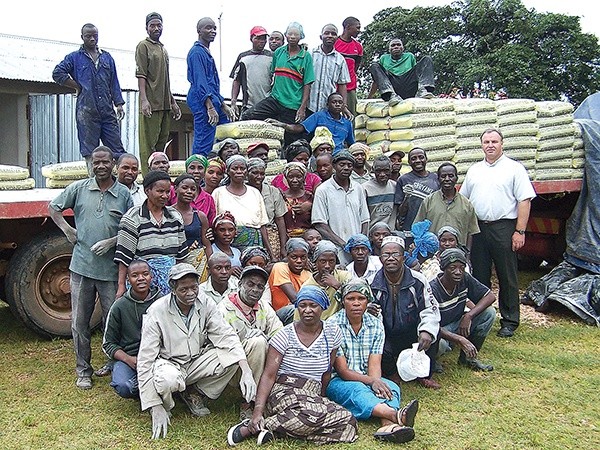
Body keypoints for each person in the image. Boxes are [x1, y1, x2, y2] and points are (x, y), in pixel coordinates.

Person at [226, 285, 358, 446]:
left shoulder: (332, 332)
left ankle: (274, 430)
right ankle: (252, 426)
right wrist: (257, 412)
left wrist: (322, 400)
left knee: (347, 421)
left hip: (312, 392)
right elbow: (268, 376)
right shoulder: (285, 335)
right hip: (285, 390)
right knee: (308, 413)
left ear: (323, 307)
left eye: (313, 305)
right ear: (297, 307)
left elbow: (327, 372)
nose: (307, 310)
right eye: (303, 305)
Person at [137, 263, 256, 439]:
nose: (191, 293)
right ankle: (166, 403)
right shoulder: (157, 311)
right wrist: (154, 406)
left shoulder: (205, 302)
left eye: (194, 287)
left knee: (231, 358)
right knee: (168, 380)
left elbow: (226, 336)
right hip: (169, 363)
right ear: (172, 288)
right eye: (184, 289)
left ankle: (195, 393)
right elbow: (145, 360)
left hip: (196, 360)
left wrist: (246, 371)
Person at [49, 146, 133, 389]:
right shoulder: (79, 189)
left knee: (112, 321)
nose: (100, 166)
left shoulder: (123, 194)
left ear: (113, 164)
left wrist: (112, 241)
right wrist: (67, 230)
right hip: (82, 267)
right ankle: (83, 370)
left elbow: (130, 228)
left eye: (105, 162)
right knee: (80, 322)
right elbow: (53, 208)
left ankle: (111, 363)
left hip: (110, 272)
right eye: (96, 162)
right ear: (91, 165)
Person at [460, 128, 536, 338]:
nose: (490, 145)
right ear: (481, 145)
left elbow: (524, 200)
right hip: (478, 228)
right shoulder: (475, 170)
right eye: (486, 142)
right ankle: (481, 317)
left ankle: (510, 320)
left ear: (502, 144)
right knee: (479, 275)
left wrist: (519, 231)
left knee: (507, 274)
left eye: (494, 141)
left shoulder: (514, 169)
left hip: (504, 227)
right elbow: (464, 200)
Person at [327, 279, 419, 443]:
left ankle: (387, 426)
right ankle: (395, 415)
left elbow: (374, 365)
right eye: (350, 299)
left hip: (367, 376)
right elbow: (342, 370)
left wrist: (376, 383)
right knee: (357, 391)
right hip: (339, 380)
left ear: (367, 301)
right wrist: (371, 382)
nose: (356, 303)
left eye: (361, 299)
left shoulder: (375, 324)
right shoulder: (332, 325)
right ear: (342, 301)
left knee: (390, 387)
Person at [52, 23, 125, 173]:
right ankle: (94, 182)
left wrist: (119, 103)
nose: (92, 39)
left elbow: (114, 81)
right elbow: (57, 73)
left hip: (107, 110)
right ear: (82, 37)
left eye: (95, 36)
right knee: (90, 151)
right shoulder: (74, 58)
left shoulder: (107, 57)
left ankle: (120, 184)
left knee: (117, 149)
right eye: (88, 36)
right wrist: (77, 86)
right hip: (86, 111)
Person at [370, 236, 441, 389]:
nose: (390, 258)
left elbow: (430, 309)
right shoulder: (372, 282)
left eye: (395, 254)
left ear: (403, 257)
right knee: (377, 343)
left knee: (433, 332)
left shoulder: (418, 280)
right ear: (380, 258)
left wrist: (426, 331)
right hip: (386, 332)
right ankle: (392, 373)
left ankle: (424, 375)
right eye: (386, 255)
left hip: (411, 331)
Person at [219, 265, 283, 420]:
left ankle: (264, 396)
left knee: (267, 343)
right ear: (240, 284)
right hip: (231, 366)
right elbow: (224, 345)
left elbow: (280, 334)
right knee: (257, 342)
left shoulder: (264, 307)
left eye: (260, 286)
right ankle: (248, 402)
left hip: (257, 364)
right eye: (250, 284)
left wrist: (266, 338)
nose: (255, 290)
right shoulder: (224, 309)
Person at [114, 170, 188, 298]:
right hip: (142, 283)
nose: (165, 196)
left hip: (171, 283)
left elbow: (181, 256)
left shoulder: (175, 216)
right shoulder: (132, 218)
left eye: (167, 192)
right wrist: (121, 286)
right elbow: (124, 257)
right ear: (147, 191)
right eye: (160, 191)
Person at [242, 22, 315, 145]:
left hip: (292, 104)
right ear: (286, 36)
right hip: (275, 99)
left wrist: (302, 108)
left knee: (288, 139)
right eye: (290, 34)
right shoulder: (279, 52)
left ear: (301, 37)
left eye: (295, 35)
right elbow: (273, 75)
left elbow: (307, 84)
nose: (292, 37)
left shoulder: (306, 57)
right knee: (248, 115)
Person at [429, 248, 495, 372]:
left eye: (461, 267)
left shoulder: (465, 278)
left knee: (489, 313)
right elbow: (432, 326)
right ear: (443, 268)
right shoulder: (432, 290)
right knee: (440, 344)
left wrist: (469, 316)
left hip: (457, 322)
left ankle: (468, 358)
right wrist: (460, 339)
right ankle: (432, 360)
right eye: (452, 267)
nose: (458, 272)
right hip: (439, 330)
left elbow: (490, 296)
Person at [102, 260, 160, 398]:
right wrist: (128, 359)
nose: (141, 278)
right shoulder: (119, 306)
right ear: (128, 279)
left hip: (158, 357)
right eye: (135, 275)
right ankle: (144, 387)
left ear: (151, 276)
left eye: (145, 274)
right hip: (130, 359)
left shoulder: (162, 302)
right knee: (124, 386)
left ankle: (152, 386)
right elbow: (108, 344)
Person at [135, 12, 181, 174]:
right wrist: (144, 100)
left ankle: (160, 176)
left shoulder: (162, 48)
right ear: (146, 28)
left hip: (164, 103)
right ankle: (149, 178)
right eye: (152, 25)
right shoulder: (143, 46)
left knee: (161, 143)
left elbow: (165, 79)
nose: (156, 28)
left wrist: (173, 102)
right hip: (151, 103)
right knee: (148, 145)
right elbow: (141, 74)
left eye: (159, 25)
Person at [312, 151, 369, 265]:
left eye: (349, 165)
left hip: (357, 251)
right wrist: (343, 244)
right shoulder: (323, 190)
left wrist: (360, 243)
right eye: (342, 165)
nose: (346, 168)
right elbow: (319, 224)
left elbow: (365, 220)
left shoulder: (358, 188)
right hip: (335, 249)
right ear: (334, 166)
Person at [187, 17, 235, 156]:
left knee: (225, 132)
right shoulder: (197, 52)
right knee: (204, 140)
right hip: (202, 101)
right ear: (199, 31)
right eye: (208, 28)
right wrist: (209, 106)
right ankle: (197, 171)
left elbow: (212, 83)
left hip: (214, 99)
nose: (213, 31)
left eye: (214, 28)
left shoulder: (206, 52)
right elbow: (200, 80)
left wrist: (222, 104)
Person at [212, 156, 274, 258]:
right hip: (226, 242)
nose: (239, 171)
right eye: (235, 168)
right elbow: (214, 223)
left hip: (253, 243)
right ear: (227, 171)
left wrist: (271, 254)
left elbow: (262, 225)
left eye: (242, 168)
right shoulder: (219, 192)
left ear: (246, 171)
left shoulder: (254, 192)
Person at [415, 162, 479, 250]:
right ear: (438, 179)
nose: (447, 179)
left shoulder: (466, 204)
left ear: (456, 178)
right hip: (433, 253)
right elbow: (418, 228)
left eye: (451, 176)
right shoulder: (428, 201)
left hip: (458, 253)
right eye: (443, 176)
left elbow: (471, 232)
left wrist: (467, 254)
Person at [267, 92, 354, 154]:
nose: (337, 104)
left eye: (340, 102)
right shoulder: (319, 116)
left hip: (339, 156)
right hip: (320, 154)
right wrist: (283, 125)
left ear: (343, 105)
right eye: (334, 102)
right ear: (327, 105)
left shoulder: (347, 123)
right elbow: (299, 128)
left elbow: (351, 144)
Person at [368, 38, 435, 106]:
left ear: (403, 48)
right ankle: (391, 95)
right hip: (393, 87)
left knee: (427, 59)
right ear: (389, 49)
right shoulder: (384, 58)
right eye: (393, 45)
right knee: (374, 66)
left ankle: (423, 90)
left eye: (398, 45)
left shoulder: (409, 56)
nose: (396, 47)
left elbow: (417, 73)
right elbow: (379, 78)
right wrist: (370, 96)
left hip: (409, 84)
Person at [246, 157, 288, 259]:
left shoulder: (273, 191)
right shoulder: (242, 191)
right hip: (249, 233)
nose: (259, 177)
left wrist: (283, 246)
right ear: (247, 173)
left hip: (270, 234)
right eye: (255, 173)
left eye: (262, 174)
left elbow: (279, 219)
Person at [172, 174, 212, 278]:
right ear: (175, 189)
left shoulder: (200, 216)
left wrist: (211, 265)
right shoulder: (167, 214)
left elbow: (207, 244)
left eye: (193, 189)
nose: (189, 191)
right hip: (174, 262)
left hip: (198, 262)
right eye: (185, 188)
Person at [301, 240, 352, 321]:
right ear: (316, 262)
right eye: (323, 261)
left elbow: (354, 299)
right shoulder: (308, 286)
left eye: (331, 261)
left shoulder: (344, 277)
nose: (327, 266)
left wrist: (337, 286)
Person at [230, 26, 273, 119]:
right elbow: (236, 80)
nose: (262, 41)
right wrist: (233, 102)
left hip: (268, 107)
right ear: (251, 39)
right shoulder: (243, 57)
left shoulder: (272, 57)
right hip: (248, 106)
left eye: (264, 38)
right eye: (258, 38)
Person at [308, 24, 351, 117]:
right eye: (326, 33)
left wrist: (344, 106)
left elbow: (342, 84)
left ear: (337, 38)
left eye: (333, 34)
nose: (330, 36)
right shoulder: (310, 54)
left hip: (328, 109)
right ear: (321, 37)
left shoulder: (340, 59)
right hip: (308, 106)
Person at [395, 148, 439, 233]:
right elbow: (399, 212)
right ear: (409, 162)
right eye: (413, 158)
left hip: (432, 229)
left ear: (426, 159)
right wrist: (407, 197)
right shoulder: (403, 180)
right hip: (410, 228)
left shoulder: (436, 178)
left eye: (421, 157)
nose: (418, 160)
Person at [269, 238, 312, 325]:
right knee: (295, 310)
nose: (299, 261)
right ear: (287, 257)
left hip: (300, 311)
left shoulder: (308, 274)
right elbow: (294, 299)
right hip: (279, 315)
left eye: (303, 257)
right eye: (294, 257)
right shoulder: (280, 267)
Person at [169, 155, 216, 225]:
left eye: (200, 168)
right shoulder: (172, 191)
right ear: (186, 170)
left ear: (205, 171)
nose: (196, 171)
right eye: (192, 167)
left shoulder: (208, 199)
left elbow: (210, 224)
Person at [335, 17, 363, 117]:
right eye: (357, 28)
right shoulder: (335, 43)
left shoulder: (358, 46)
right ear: (348, 27)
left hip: (350, 87)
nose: (359, 31)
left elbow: (356, 66)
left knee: (350, 116)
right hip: (334, 86)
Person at [364, 155, 398, 229]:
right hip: (372, 233)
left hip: (390, 233)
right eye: (378, 171)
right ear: (373, 169)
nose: (382, 174)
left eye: (386, 170)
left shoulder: (395, 186)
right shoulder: (365, 188)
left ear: (391, 169)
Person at [281, 162, 313, 238]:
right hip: (286, 238)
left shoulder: (309, 197)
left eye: (299, 177)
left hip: (307, 238)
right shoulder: (281, 197)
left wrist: (311, 206)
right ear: (286, 178)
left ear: (304, 178)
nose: (294, 180)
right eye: (291, 177)